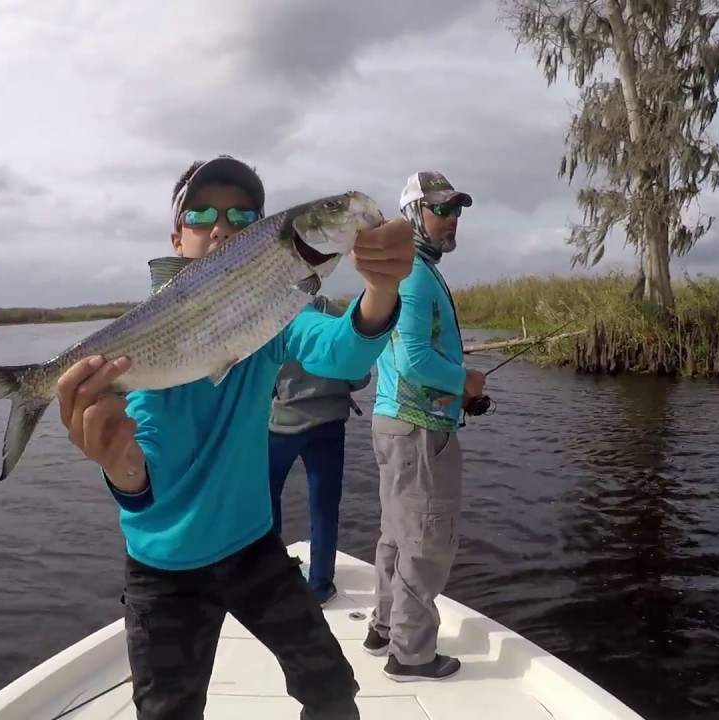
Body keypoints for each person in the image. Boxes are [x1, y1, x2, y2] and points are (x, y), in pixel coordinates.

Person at [53, 155, 415, 720]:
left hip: (253, 547)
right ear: (176, 240)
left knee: (331, 689)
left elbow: (343, 352)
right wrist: (120, 465)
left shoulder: (270, 316)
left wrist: (383, 289)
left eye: (242, 217)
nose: (220, 227)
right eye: (201, 215)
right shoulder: (147, 344)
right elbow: (143, 474)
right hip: (163, 568)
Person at [363, 170, 486, 682]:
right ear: (413, 213)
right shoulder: (414, 275)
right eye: (440, 209)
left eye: (455, 209)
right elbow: (413, 360)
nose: (451, 218)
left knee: (398, 533)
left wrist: (458, 387)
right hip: (417, 429)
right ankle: (410, 655)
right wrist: (465, 380)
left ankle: (383, 629)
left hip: (396, 424)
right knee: (426, 540)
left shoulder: (408, 269)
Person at [268, 294, 371, 606]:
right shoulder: (333, 314)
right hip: (330, 424)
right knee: (325, 508)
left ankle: (271, 579)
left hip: (281, 426)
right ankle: (321, 584)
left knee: (266, 502)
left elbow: (262, 378)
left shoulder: (273, 315)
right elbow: (360, 376)